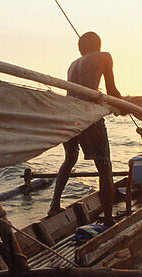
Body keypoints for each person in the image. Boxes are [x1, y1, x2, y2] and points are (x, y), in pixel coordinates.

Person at [48, 31, 121, 226]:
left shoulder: (73, 64)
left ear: (80, 48)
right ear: (99, 45)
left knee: (70, 157)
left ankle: (54, 205)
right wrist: (123, 105)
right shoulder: (104, 56)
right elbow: (112, 90)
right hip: (87, 112)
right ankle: (108, 219)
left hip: (68, 113)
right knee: (104, 164)